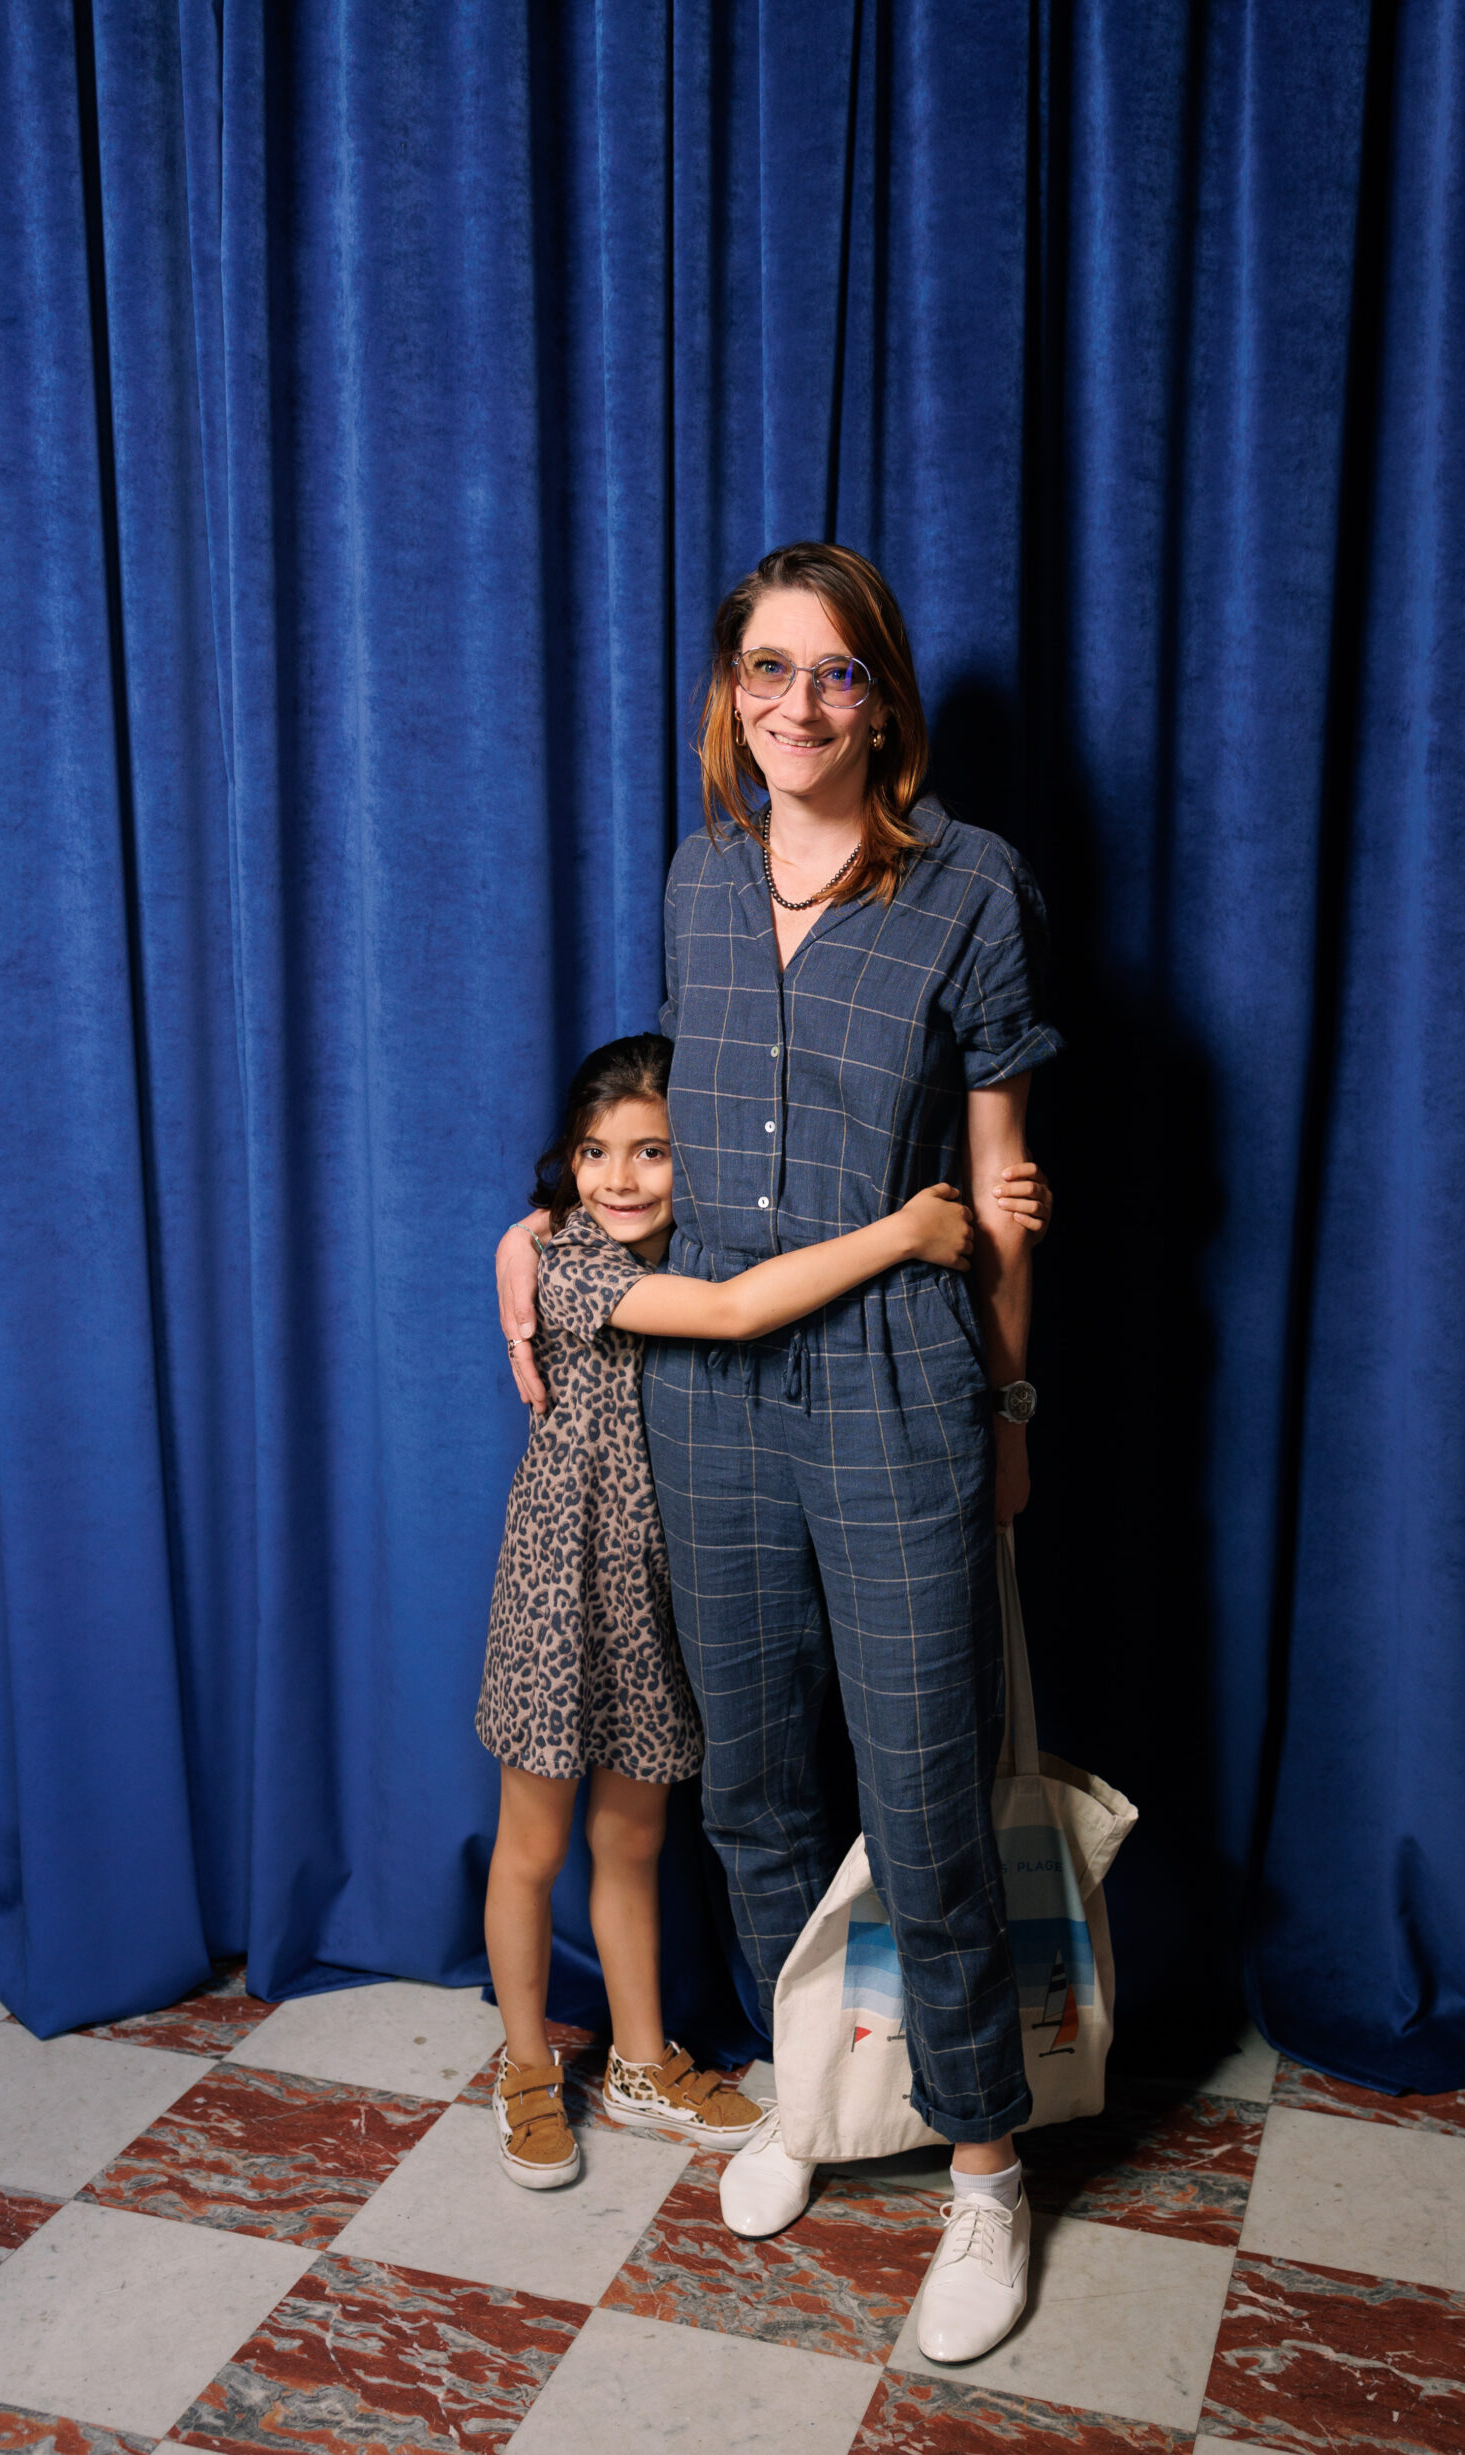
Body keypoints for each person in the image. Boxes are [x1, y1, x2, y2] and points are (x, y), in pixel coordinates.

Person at [498, 543, 1058, 2362]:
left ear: (879, 701)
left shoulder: (971, 886)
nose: (795, 705)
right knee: (747, 1788)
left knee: (924, 1798)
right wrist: (535, 1238)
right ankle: (807, 2094)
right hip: (706, 1401)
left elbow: (998, 1187)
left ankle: (983, 2170)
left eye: (833, 673)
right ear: (726, 692)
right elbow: (658, 1151)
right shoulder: (699, 878)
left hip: (897, 1387)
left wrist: (1007, 1413)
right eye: (764, 669)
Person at [479, 1027, 999, 2192]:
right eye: (595, 1151)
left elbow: (748, 1275)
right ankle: (524, 2065)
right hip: (562, 1588)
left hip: (659, 1587)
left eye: (652, 1150)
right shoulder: (574, 1264)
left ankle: (639, 2059)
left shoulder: (685, 1238)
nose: (619, 1177)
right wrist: (904, 1232)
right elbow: (733, 1313)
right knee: (534, 1845)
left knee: (634, 1841)